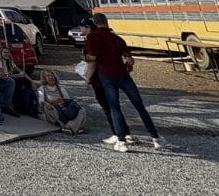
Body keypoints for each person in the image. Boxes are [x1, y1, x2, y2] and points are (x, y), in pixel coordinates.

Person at [84, 13, 165, 152]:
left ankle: (121, 140)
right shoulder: (117, 38)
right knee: (139, 105)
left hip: (106, 75)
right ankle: (155, 137)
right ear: (106, 22)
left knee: (114, 107)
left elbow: (93, 57)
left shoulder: (93, 37)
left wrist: (85, 58)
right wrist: (128, 66)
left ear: (95, 23)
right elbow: (130, 60)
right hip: (122, 74)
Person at [78, 17, 133, 144]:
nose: (80, 29)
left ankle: (117, 133)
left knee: (108, 107)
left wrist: (87, 79)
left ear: (87, 27)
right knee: (114, 106)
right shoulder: (108, 38)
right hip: (113, 75)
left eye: (81, 26)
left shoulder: (91, 41)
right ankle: (126, 132)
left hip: (99, 78)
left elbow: (93, 62)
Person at [37, 69, 86, 134]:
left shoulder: (61, 89)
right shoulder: (42, 88)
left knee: (82, 110)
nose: (51, 77)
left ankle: (69, 126)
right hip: (53, 110)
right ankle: (76, 127)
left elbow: (68, 100)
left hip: (64, 110)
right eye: (48, 76)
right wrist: (46, 103)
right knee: (48, 108)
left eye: (52, 75)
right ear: (44, 78)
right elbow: (40, 101)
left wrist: (62, 102)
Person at [0, 47, 37, 118]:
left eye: (8, 52)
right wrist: (18, 75)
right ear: (0, 53)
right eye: (4, 52)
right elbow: (4, 75)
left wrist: (32, 81)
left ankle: (32, 103)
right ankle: (6, 105)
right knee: (13, 81)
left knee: (23, 81)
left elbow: (22, 72)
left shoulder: (9, 61)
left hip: (9, 80)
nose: (7, 54)